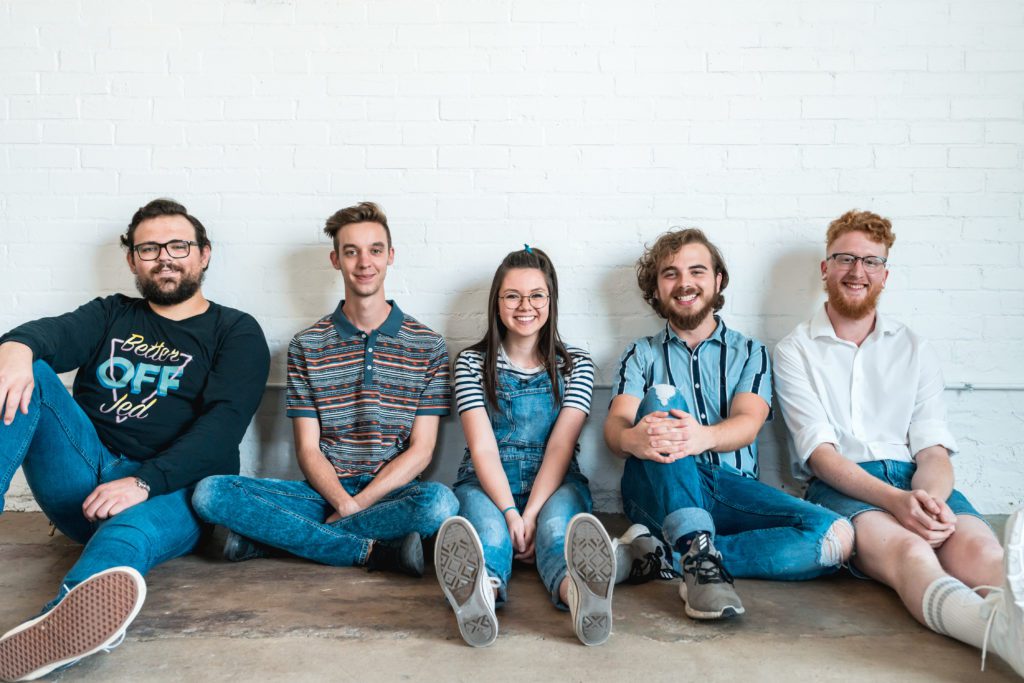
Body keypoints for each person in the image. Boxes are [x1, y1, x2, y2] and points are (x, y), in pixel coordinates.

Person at [0, 198, 270, 680]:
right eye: (149, 248)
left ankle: (65, 623)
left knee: (129, 533)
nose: (164, 257)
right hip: (85, 477)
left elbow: (222, 431)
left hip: (172, 490)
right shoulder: (111, 314)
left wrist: (143, 482)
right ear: (132, 261)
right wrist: (15, 349)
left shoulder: (235, 331)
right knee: (29, 371)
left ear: (204, 254)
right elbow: (49, 335)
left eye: (178, 245)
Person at [773, 210, 1023, 676]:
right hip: (843, 486)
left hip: (918, 480)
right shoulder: (795, 349)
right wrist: (896, 501)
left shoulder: (915, 348)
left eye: (871, 261)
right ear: (825, 268)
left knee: (982, 554)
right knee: (912, 555)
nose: (857, 271)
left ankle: (1017, 628)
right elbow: (820, 455)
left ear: (885, 275)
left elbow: (932, 450)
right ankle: (997, 635)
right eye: (845, 258)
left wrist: (927, 500)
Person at [192, 201, 457, 577]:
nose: (365, 262)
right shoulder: (307, 345)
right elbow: (307, 448)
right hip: (321, 493)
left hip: (392, 494)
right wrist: (341, 501)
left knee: (440, 505)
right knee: (210, 493)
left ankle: (267, 543)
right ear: (336, 260)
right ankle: (376, 553)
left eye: (375, 250)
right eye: (352, 252)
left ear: (391, 256)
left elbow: (422, 450)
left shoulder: (428, 345)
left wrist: (359, 503)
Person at [603, 228, 854, 621]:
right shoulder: (642, 353)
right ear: (657, 287)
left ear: (717, 280)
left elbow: (748, 424)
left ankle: (669, 555)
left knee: (834, 536)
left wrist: (700, 437)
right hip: (657, 487)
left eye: (697, 271)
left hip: (730, 489)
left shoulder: (751, 352)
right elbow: (616, 426)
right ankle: (696, 557)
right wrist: (631, 438)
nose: (684, 283)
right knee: (662, 399)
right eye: (670, 274)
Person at [434, 246, 617, 647]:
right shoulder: (469, 364)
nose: (525, 306)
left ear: (550, 301)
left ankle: (581, 598)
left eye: (536, 295)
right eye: (512, 295)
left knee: (555, 532)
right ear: (496, 303)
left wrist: (530, 514)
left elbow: (561, 446)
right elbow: (482, 449)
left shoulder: (577, 365)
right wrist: (509, 514)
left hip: (556, 482)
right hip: (485, 482)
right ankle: (482, 595)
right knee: (490, 535)